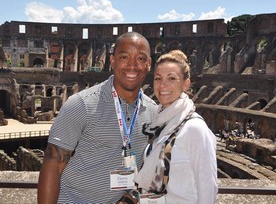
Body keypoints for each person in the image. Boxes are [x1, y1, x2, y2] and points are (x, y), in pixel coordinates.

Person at [37, 32, 157, 203]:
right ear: (113, 60)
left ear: (149, 64)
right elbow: (53, 162)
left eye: (141, 59)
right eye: (124, 57)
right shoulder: (81, 104)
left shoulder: (153, 111)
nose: (132, 65)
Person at [134, 50, 218, 203]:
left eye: (171, 78)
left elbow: (208, 187)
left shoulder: (194, 128)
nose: (162, 85)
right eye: (158, 78)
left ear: (185, 84)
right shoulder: (160, 123)